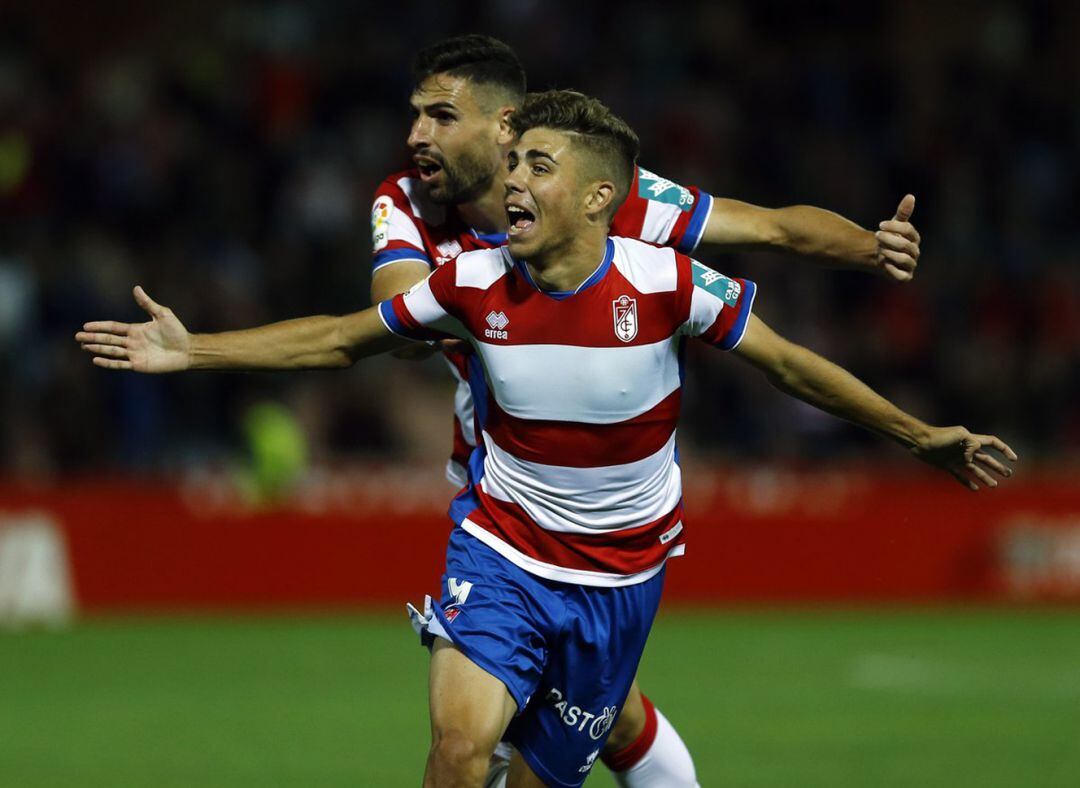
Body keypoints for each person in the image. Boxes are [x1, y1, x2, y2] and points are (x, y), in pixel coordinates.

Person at [76, 90, 1015, 788]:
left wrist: (918, 433)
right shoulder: (473, 282)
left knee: (545, 771)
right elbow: (337, 339)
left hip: (618, 576)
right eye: (512, 161)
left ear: (602, 195)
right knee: (455, 750)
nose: (511, 183)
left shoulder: (668, 282)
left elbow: (794, 366)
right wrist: (192, 350)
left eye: (535, 167)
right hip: (503, 547)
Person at [368, 34, 921, 785]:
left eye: (439, 117)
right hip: (498, 498)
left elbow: (769, 227)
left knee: (595, 716)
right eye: (416, 117)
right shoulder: (405, 202)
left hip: (608, 515)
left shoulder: (608, 200)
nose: (416, 137)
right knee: (475, 743)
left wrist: (869, 246)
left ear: (504, 129)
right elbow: (392, 323)